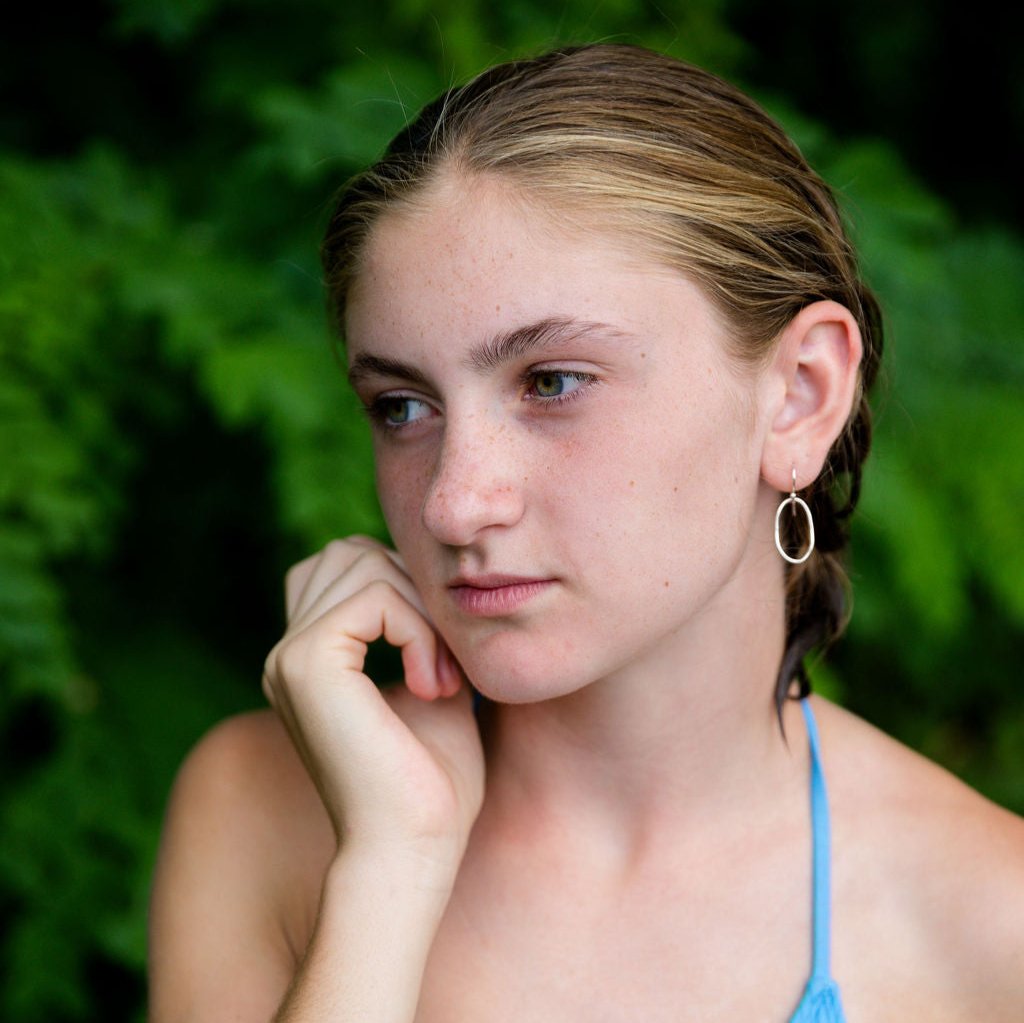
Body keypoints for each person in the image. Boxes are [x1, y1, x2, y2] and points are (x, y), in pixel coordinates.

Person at [147, 44, 1024, 1022]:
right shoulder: (266, 812)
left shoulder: (990, 926)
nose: (453, 504)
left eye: (551, 383)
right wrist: (390, 867)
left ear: (798, 398)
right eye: (402, 405)